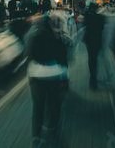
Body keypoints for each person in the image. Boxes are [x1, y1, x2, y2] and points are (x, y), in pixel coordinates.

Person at [26, 11, 69, 147]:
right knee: (55, 104)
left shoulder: (34, 36)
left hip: (37, 76)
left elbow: (30, 55)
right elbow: (63, 59)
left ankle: (36, 137)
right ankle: (53, 129)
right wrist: (65, 77)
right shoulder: (58, 38)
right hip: (55, 76)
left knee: (38, 107)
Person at [83, 3, 105, 89]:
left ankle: (92, 77)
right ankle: (94, 78)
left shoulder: (87, 16)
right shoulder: (100, 17)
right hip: (97, 40)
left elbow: (84, 25)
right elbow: (102, 28)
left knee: (91, 58)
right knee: (95, 59)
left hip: (89, 40)